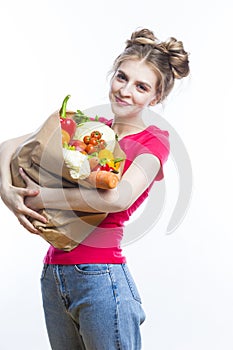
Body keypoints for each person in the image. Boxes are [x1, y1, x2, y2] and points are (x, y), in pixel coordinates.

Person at [0, 28, 190, 350]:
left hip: (101, 277)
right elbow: (10, 145)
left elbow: (117, 197)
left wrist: (43, 197)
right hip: (53, 273)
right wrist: (8, 193)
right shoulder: (92, 129)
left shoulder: (153, 142)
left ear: (155, 98)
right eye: (122, 77)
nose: (125, 91)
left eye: (141, 86)